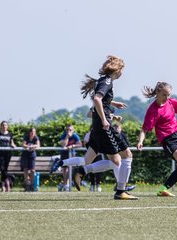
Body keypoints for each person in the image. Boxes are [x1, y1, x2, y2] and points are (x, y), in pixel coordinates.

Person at [50, 55, 137, 200]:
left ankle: (70, 166)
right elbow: (97, 99)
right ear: (117, 70)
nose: (122, 73)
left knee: (92, 161)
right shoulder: (107, 81)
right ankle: (121, 190)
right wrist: (105, 119)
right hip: (103, 127)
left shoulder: (103, 80)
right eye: (122, 69)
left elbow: (100, 99)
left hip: (97, 128)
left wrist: (113, 105)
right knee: (126, 155)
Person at [0, 121, 16, 192]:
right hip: (0, 153)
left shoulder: (10, 134)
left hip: (8, 153)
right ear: (1, 126)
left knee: (5, 169)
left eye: (5, 125)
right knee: (2, 169)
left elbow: (12, 143)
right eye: (3, 125)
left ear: (7, 126)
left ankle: (3, 186)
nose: (4, 126)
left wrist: (13, 145)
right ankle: (7, 184)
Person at [58, 124, 82, 192]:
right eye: (67, 130)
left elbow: (80, 144)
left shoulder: (75, 136)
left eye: (70, 130)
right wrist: (67, 137)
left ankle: (66, 184)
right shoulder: (64, 135)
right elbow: (63, 144)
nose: (68, 131)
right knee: (64, 169)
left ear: (73, 130)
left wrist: (72, 146)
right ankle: (65, 184)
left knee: (70, 169)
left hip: (72, 154)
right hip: (64, 154)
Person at [20, 127, 40, 192]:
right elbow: (23, 144)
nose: (33, 133)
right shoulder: (26, 137)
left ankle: (31, 184)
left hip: (32, 155)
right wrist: (28, 146)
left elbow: (38, 145)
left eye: (34, 132)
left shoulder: (36, 137)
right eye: (32, 132)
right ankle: (27, 184)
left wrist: (33, 146)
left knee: (33, 170)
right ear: (29, 132)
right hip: (25, 155)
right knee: (25, 169)